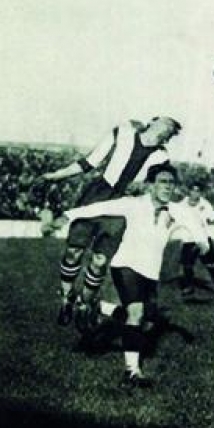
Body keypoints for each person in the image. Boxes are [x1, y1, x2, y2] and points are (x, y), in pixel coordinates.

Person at [46, 163, 209, 387]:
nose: (168, 187)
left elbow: (196, 228)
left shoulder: (177, 210)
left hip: (151, 272)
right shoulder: (133, 204)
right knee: (136, 313)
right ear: (151, 185)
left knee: (148, 323)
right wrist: (67, 216)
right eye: (163, 182)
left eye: (171, 183)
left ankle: (98, 306)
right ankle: (132, 372)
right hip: (126, 265)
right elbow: (98, 208)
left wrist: (202, 244)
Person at [39, 117, 182, 326]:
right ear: (152, 121)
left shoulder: (161, 157)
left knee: (99, 261)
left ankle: (84, 304)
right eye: (165, 123)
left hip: (123, 207)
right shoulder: (122, 133)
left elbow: (154, 188)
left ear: (168, 137)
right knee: (74, 252)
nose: (167, 128)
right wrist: (57, 175)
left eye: (170, 130)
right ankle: (66, 298)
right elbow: (88, 162)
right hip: (96, 195)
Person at [178, 182, 214, 296]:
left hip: (203, 237)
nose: (195, 193)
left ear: (200, 192)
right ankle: (189, 286)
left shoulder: (205, 204)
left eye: (198, 191)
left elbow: (213, 218)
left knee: (210, 263)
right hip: (189, 238)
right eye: (193, 190)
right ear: (189, 191)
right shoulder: (182, 204)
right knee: (187, 264)